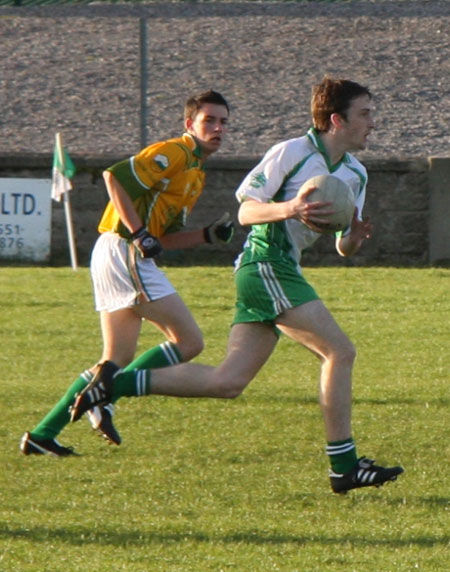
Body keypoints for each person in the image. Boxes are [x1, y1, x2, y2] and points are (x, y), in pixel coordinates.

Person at [52, 77, 404, 495]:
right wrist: (289, 207)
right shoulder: (291, 152)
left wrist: (354, 239)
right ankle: (344, 466)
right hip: (264, 262)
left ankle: (115, 383)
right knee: (340, 351)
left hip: (283, 268)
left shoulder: (355, 173)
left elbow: (342, 245)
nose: (372, 123)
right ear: (336, 119)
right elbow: (246, 211)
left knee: (228, 382)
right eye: (364, 114)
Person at [20, 89, 234, 456]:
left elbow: (162, 238)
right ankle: (108, 394)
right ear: (189, 124)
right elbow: (114, 176)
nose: (217, 128)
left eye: (223, 122)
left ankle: (42, 435)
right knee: (190, 343)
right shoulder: (176, 152)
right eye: (209, 120)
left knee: (115, 360)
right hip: (124, 250)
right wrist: (139, 234)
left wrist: (206, 236)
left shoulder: (196, 173)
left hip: (117, 251)